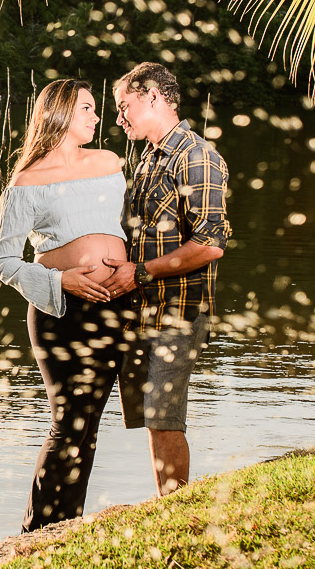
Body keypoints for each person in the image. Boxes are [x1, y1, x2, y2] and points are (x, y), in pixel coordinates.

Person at [0, 78, 129, 531]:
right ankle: (39, 529)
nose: (95, 117)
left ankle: (68, 525)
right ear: (61, 113)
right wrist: (61, 280)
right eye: (87, 109)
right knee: (69, 419)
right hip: (61, 312)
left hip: (115, 305)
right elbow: (4, 261)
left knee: (89, 422)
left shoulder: (109, 162)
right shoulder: (27, 182)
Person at [102, 62, 231, 497]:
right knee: (151, 416)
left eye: (125, 107)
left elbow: (211, 244)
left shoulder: (198, 156)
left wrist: (139, 272)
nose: (119, 119)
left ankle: (175, 510)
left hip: (178, 311)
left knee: (163, 416)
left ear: (153, 97)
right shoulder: (148, 157)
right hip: (140, 309)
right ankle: (166, 504)